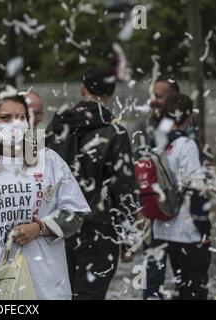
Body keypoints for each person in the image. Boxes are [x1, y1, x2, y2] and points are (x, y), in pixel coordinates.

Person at [0, 87, 91, 300]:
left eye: (21, 117)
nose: (15, 124)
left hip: (49, 284)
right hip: (1, 286)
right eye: (6, 118)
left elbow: (76, 214)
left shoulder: (50, 160)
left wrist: (39, 228)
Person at [47, 68, 140, 300]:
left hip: (58, 226)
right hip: (100, 229)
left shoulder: (58, 126)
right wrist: (129, 239)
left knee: (59, 294)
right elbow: (124, 189)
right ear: (110, 95)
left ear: (83, 89)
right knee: (90, 295)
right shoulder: (115, 133)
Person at [151, 93, 211, 300]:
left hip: (162, 227)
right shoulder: (187, 145)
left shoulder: (158, 144)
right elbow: (196, 190)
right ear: (189, 117)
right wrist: (205, 228)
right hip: (187, 232)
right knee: (194, 290)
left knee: (180, 286)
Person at [133, 77, 180, 300]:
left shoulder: (184, 125)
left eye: (160, 96)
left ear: (174, 99)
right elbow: (134, 169)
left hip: (181, 211)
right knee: (152, 268)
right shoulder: (144, 126)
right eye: (153, 95)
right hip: (153, 210)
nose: (154, 101)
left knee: (184, 269)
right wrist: (139, 210)